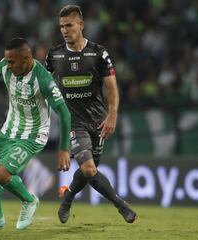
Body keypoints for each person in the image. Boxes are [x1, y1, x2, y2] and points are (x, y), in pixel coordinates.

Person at [0, 38, 71, 230]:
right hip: (8, 130)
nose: (8, 66)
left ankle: (29, 200)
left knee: (1, 173)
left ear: (27, 58)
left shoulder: (43, 80)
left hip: (33, 135)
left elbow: (64, 113)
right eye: (6, 61)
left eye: (12, 62)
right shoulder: (5, 66)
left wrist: (64, 149)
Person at [45, 5, 137, 224]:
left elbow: (112, 88)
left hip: (98, 121)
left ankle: (67, 197)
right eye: (61, 27)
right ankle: (121, 206)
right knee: (88, 169)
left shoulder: (98, 53)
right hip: (73, 122)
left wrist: (112, 115)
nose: (65, 30)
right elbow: (42, 84)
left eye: (69, 25)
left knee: (90, 169)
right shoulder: (54, 55)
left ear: (81, 25)